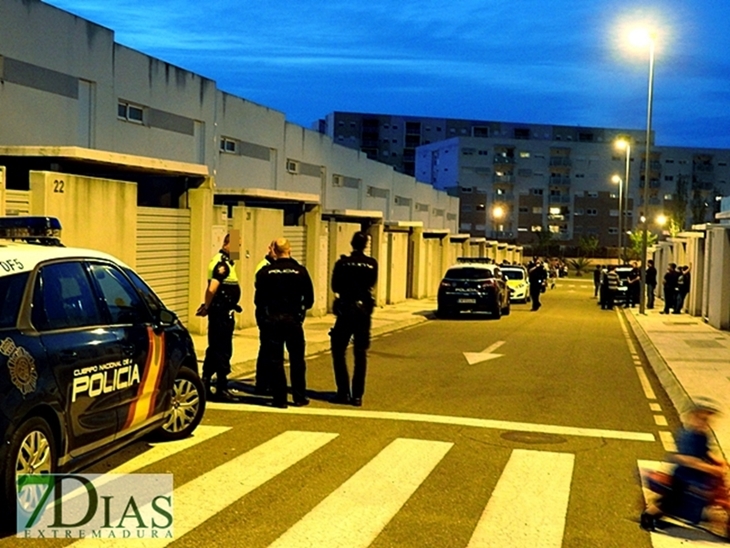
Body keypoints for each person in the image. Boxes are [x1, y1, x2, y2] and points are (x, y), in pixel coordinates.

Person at [641, 397, 729, 534]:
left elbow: (705, 451)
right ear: (691, 417)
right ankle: (648, 517)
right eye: (702, 419)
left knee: (708, 498)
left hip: (697, 478)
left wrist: (718, 461)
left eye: (707, 420)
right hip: (684, 479)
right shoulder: (688, 436)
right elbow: (688, 460)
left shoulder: (702, 435)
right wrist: (711, 468)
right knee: (670, 503)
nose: (705, 423)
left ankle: (716, 523)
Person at [255, 238, 314, 408]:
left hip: (273, 320)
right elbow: (309, 299)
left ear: (275, 250)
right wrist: (300, 313)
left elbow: (259, 300)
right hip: (293, 320)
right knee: (297, 359)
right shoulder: (301, 271)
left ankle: (279, 398)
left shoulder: (265, 273)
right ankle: (299, 396)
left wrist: (265, 317)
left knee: (275, 360)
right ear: (290, 249)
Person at [330, 231, 378, 407]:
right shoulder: (372, 264)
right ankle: (357, 395)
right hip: (363, 312)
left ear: (352, 243)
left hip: (346, 310)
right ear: (365, 245)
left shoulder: (342, 263)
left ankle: (343, 391)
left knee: (338, 350)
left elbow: (334, 285)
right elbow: (372, 283)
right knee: (360, 354)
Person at [197, 233, 242, 402]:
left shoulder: (228, 262)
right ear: (226, 244)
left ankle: (207, 383)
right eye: (236, 245)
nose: (238, 250)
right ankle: (221, 387)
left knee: (216, 347)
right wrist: (207, 307)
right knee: (222, 348)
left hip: (223, 311)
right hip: (221, 313)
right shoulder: (222, 264)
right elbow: (212, 288)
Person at [253, 240, 276, 395]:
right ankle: (262, 383)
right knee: (266, 347)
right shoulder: (264, 267)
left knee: (271, 348)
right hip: (265, 313)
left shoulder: (272, 266)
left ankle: (269, 381)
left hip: (271, 313)